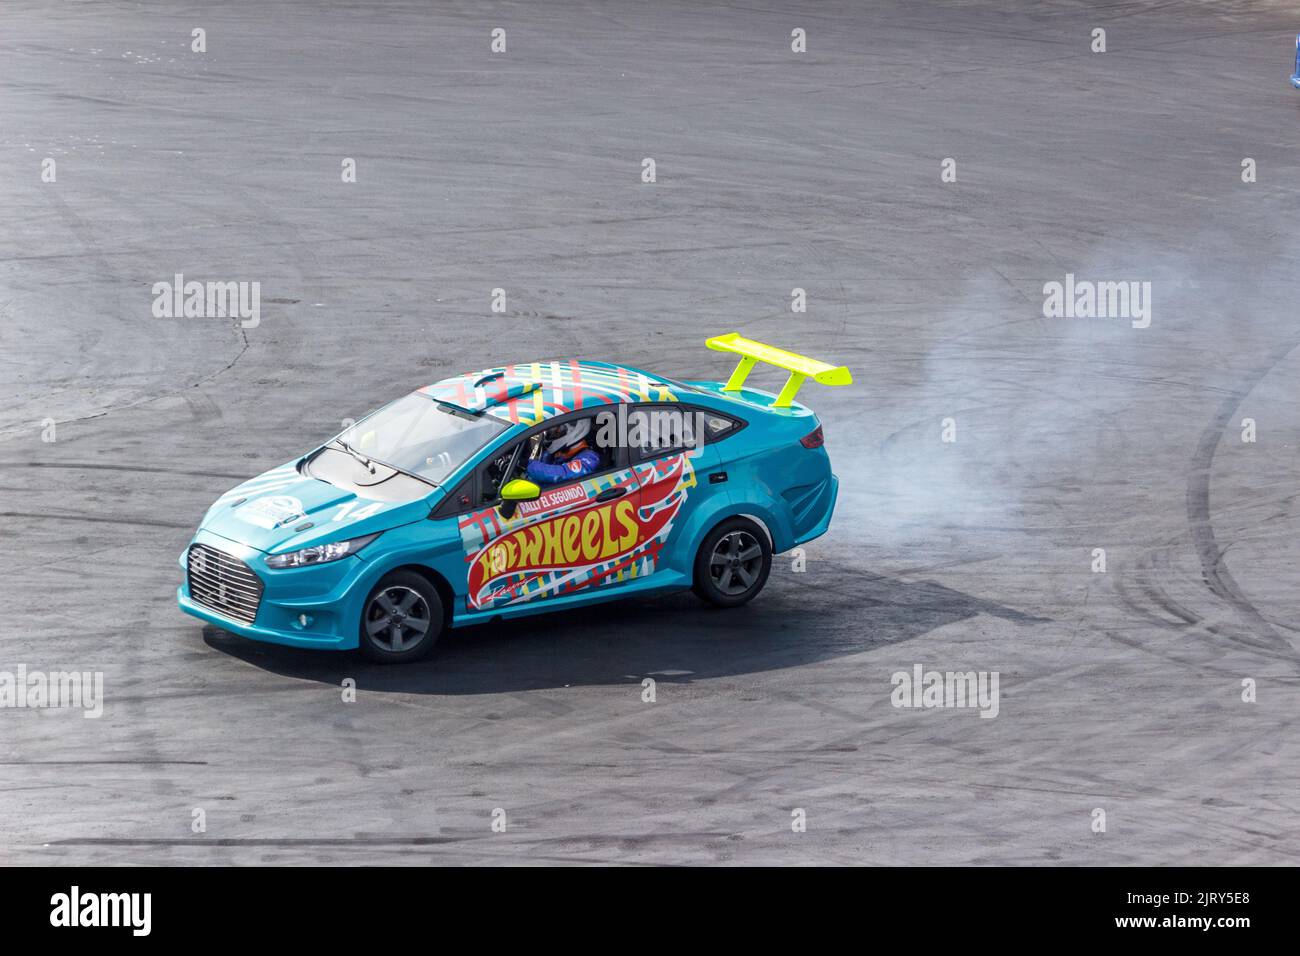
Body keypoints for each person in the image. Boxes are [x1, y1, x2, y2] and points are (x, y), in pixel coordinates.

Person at [525, 418, 601, 485]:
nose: (552, 434)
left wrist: (527, 465)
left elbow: (564, 474)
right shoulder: (554, 454)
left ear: (575, 429)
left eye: (557, 431)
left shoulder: (590, 458)